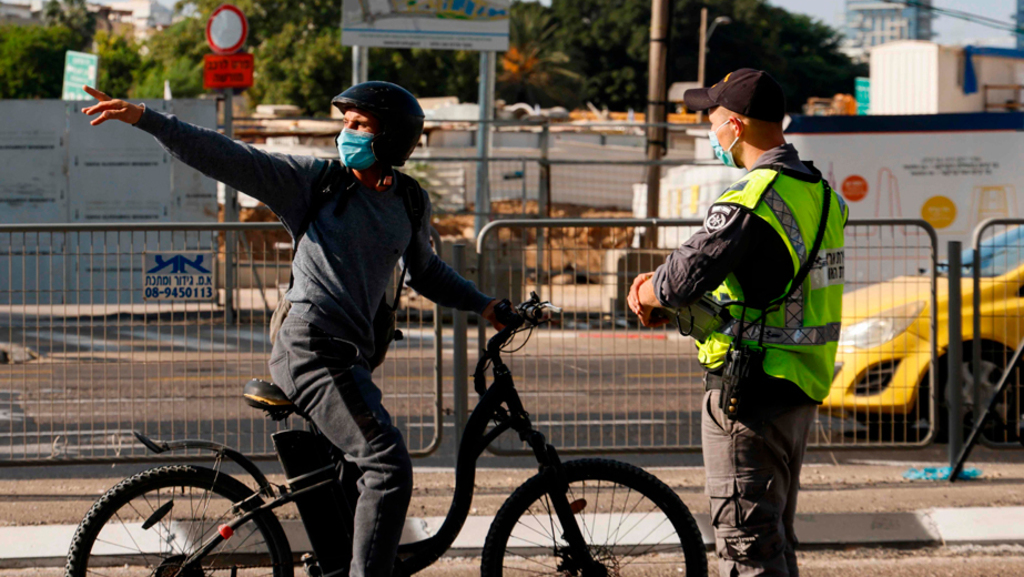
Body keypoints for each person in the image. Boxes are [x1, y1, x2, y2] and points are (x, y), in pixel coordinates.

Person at [81, 82, 502, 577]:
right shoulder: (316, 183)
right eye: (345, 124)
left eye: (360, 126)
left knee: (352, 477)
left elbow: (427, 272)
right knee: (387, 465)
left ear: (393, 138)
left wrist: (488, 304)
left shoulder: (408, 200)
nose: (347, 134)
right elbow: (228, 156)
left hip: (349, 358)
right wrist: (147, 118)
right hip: (310, 346)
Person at [627, 69, 848, 577]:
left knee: (747, 547)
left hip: (749, 394)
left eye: (711, 118)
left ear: (735, 124)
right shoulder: (820, 193)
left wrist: (645, 289)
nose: (710, 130)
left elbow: (683, 279)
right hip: (799, 387)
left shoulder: (754, 196)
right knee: (774, 542)